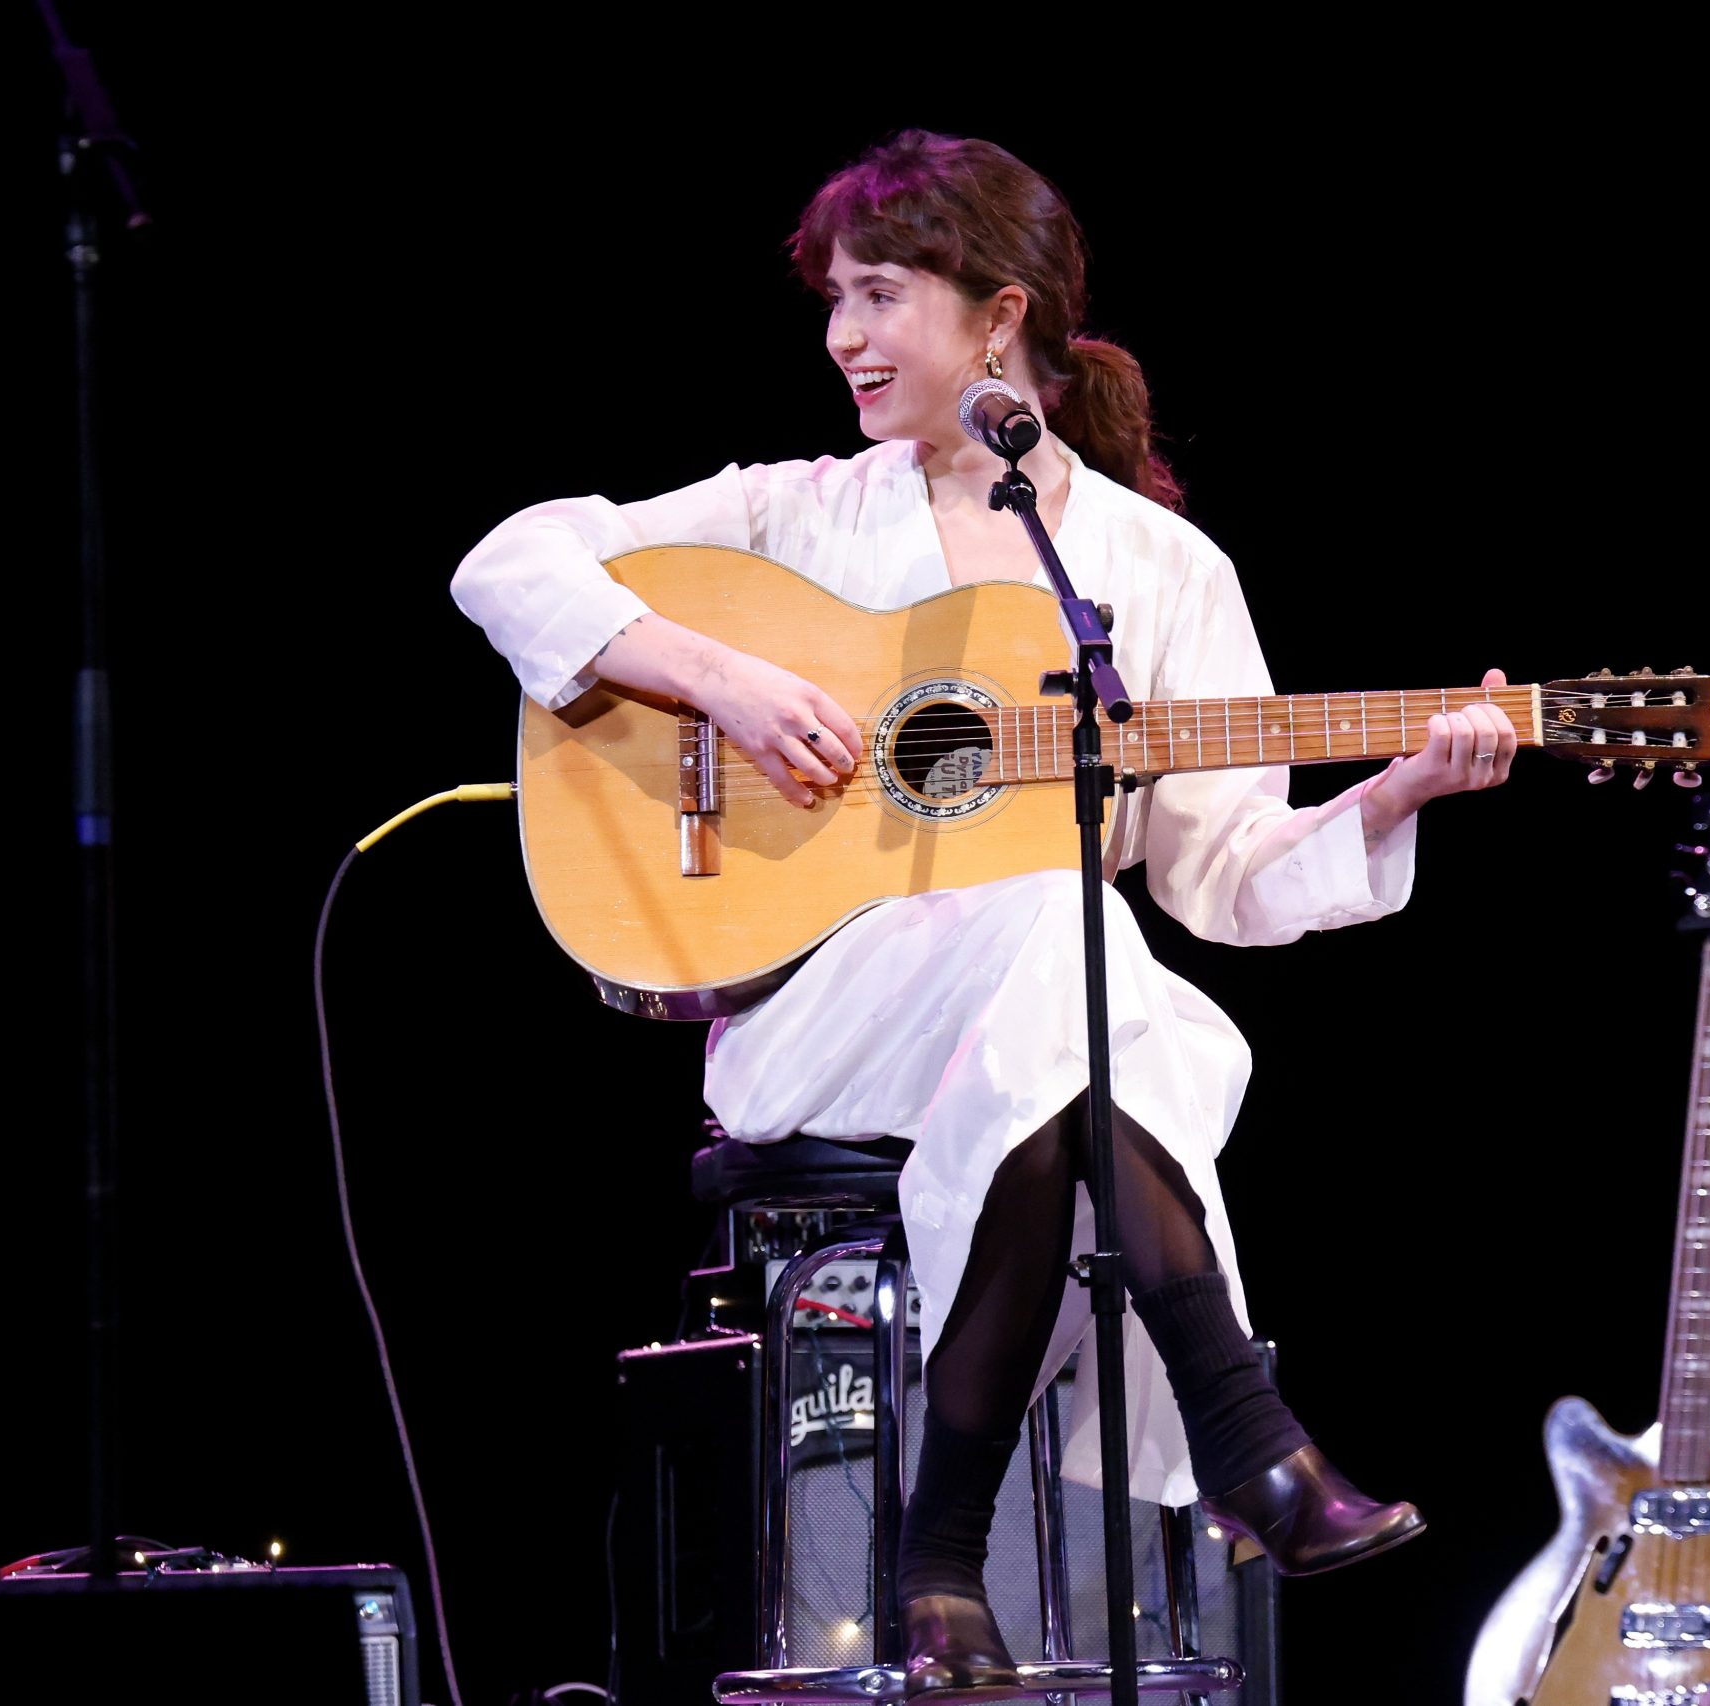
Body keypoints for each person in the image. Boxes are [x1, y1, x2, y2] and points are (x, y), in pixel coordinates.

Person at [451, 130, 1517, 1695]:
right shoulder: (796, 512)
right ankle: (1246, 1430)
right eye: (837, 300)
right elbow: (506, 561)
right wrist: (719, 675)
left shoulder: (1157, 567)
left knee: (1065, 985)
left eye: (881, 296)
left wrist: (1393, 796)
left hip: (1041, 1027)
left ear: (998, 316)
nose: (845, 337)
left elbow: (1221, 875)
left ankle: (939, 1561)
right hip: (823, 1009)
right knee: (1065, 943)